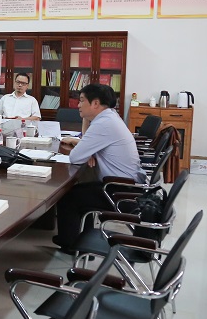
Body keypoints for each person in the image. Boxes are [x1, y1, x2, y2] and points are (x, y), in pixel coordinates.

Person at [53, 84, 145, 252]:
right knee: (80, 191)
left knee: (69, 196)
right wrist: (88, 148)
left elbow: (75, 157)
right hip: (128, 184)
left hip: (120, 190)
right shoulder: (109, 117)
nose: (78, 105)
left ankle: (70, 244)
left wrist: (86, 149)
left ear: (95, 103)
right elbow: (86, 144)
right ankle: (79, 237)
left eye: (82, 101)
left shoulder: (104, 123)